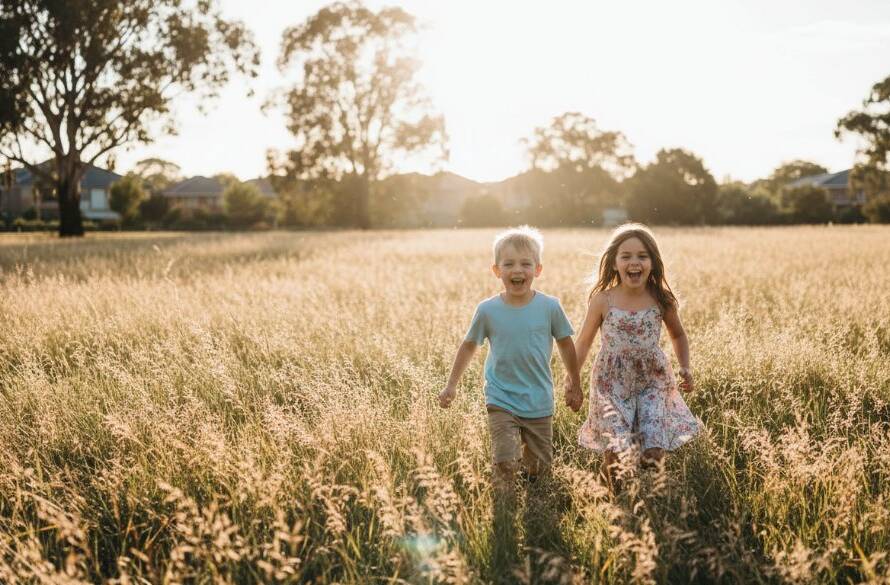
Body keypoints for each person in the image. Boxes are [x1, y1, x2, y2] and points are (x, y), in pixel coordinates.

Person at [439, 225, 582, 489]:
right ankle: (504, 508)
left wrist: (575, 382)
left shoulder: (550, 307)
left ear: (538, 269)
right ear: (497, 270)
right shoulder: (487, 310)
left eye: (526, 263)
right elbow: (469, 345)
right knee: (505, 461)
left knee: (538, 471)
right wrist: (451, 385)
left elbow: (565, 344)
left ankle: (535, 510)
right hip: (501, 398)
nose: (518, 270)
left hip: (539, 399)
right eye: (509, 264)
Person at [571, 223, 700, 490]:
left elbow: (678, 335)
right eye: (626, 256)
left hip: (652, 381)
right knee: (616, 455)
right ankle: (610, 503)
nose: (634, 262)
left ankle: (651, 506)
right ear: (614, 263)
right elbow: (583, 342)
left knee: (653, 454)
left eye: (642, 256)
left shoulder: (661, 299)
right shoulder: (602, 300)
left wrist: (685, 367)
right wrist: (572, 379)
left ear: (653, 262)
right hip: (611, 383)